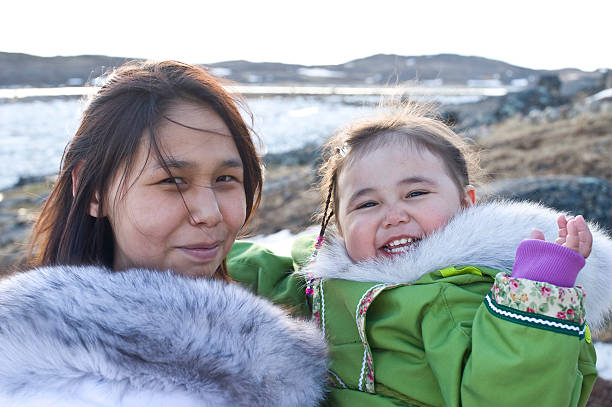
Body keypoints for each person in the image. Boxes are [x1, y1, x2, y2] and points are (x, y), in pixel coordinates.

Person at [229, 103, 612, 406]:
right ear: (339, 226)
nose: (393, 216)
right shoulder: (321, 279)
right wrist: (198, 249)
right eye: (367, 204)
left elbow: (514, 393)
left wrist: (534, 303)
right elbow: (259, 273)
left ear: (466, 204)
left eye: (415, 194)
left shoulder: (468, 291)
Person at [0, 60, 327, 406]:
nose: (210, 213)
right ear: (94, 190)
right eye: (172, 181)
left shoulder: (302, 294)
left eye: (225, 179)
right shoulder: (34, 376)